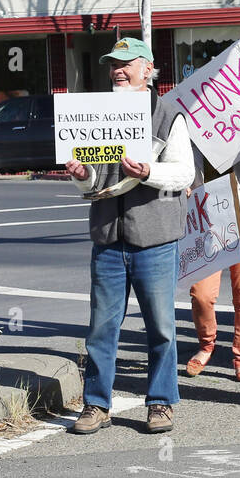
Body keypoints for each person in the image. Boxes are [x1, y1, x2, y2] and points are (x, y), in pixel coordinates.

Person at [66, 37, 195, 435]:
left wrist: (148, 174)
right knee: (101, 328)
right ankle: (96, 405)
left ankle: (160, 403)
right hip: (108, 237)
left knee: (161, 328)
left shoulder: (168, 115)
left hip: (155, 239)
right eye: (113, 64)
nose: (118, 70)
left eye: (126, 63)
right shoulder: (94, 113)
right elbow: (91, 187)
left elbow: (184, 174)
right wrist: (82, 175)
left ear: (147, 69)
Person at [185, 154, 240, 382]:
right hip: (207, 223)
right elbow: (184, 170)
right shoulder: (193, 132)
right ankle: (206, 345)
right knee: (201, 294)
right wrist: (186, 188)